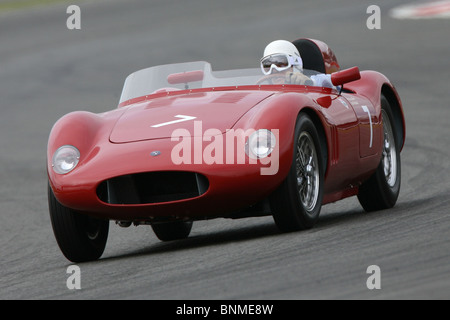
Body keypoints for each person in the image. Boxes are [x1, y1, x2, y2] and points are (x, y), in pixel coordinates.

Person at [260, 40, 334, 88]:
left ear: (296, 64)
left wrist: (311, 83)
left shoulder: (315, 81)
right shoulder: (262, 94)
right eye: (267, 66)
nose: (274, 70)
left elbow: (335, 84)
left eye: (280, 63)